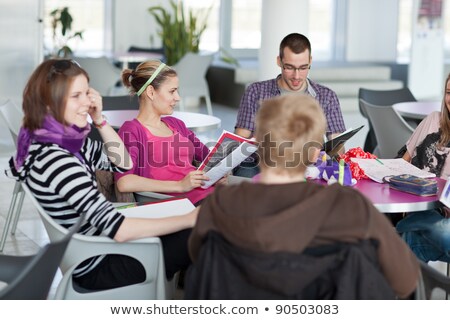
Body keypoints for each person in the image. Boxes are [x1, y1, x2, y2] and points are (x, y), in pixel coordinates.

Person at [188, 95, 419, 299]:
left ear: (257, 141)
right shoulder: (350, 207)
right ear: (314, 152)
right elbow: (405, 281)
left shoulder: (222, 202)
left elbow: (201, 260)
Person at [7, 59, 196, 290]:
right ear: (49, 103)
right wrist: (191, 218)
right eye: (76, 96)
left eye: (87, 93)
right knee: (200, 232)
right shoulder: (57, 160)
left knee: (199, 233)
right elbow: (120, 230)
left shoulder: (64, 143)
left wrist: (99, 120)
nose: (87, 102)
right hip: (97, 262)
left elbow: (123, 163)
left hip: (98, 246)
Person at [233, 32, 346, 177]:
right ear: (279, 61)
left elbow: (339, 149)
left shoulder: (326, 97)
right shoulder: (256, 92)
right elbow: (240, 142)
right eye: (289, 67)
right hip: (262, 165)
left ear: (310, 61)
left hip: (308, 168)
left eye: (303, 67)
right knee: (245, 174)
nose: (296, 76)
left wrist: (322, 153)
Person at [114, 60, 217, 206]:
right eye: (172, 91)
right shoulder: (132, 130)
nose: (178, 97)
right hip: (182, 204)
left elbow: (209, 157)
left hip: (209, 195)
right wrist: (180, 185)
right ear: (151, 92)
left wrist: (219, 172)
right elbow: (124, 182)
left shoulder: (176, 124)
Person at [395, 73, 450, 263]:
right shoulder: (434, 120)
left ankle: (406, 226)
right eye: (449, 92)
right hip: (423, 206)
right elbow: (403, 161)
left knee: (444, 232)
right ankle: (412, 226)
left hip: (446, 216)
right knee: (411, 241)